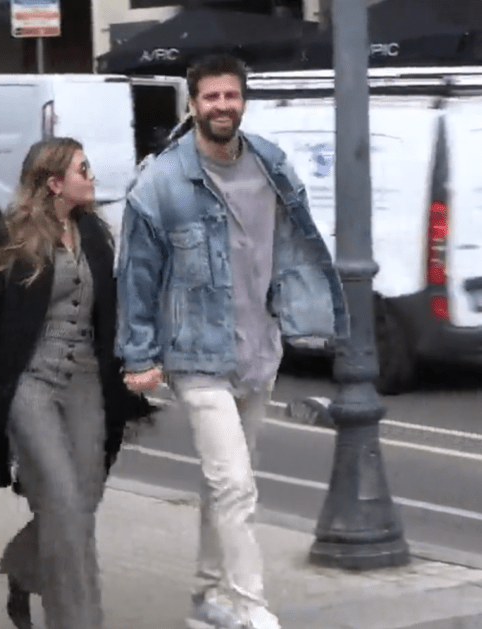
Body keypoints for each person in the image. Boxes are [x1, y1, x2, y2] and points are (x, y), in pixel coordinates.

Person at [116, 54, 349, 629]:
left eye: (231, 96)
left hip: (259, 350)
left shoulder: (269, 162)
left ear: (243, 100)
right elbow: (137, 276)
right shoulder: (162, 182)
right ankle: (247, 605)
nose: (222, 106)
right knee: (235, 485)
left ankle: (208, 598)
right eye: (211, 97)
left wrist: (303, 311)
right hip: (196, 355)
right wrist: (139, 355)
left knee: (222, 485)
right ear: (192, 103)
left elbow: (297, 246)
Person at [0, 137, 153, 629]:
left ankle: (25, 569)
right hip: (32, 385)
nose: (92, 176)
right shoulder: (13, 238)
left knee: (81, 506)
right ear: (53, 182)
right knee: (62, 504)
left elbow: (115, 315)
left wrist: (138, 364)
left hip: (87, 382)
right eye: (83, 169)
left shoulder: (97, 236)